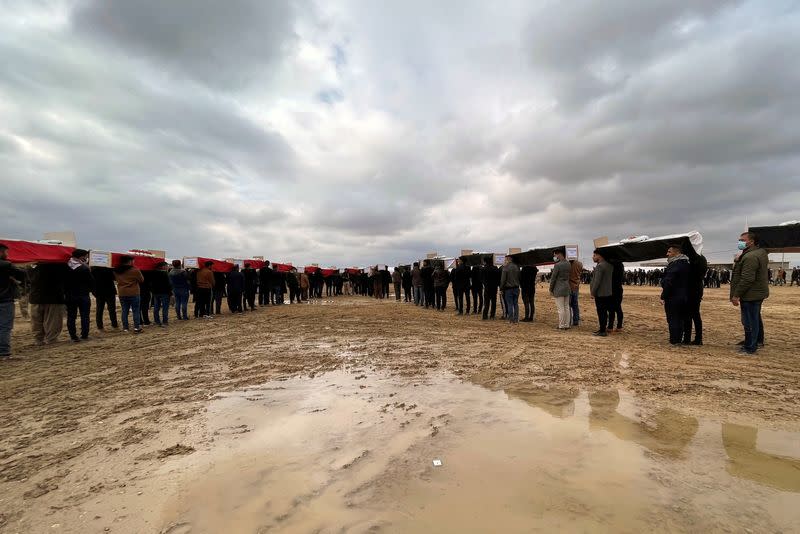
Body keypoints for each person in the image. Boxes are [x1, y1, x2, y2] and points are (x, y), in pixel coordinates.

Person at [730, 232, 769, 355]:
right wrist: (739, 259)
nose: (739, 242)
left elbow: (747, 279)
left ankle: (750, 347)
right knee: (755, 318)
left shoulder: (750, 257)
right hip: (757, 292)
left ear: (751, 242)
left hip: (750, 294)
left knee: (749, 321)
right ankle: (757, 341)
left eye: (742, 240)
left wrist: (736, 295)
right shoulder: (760, 252)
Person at [29, 261, 69, 345]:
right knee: (53, 320)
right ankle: (51, 339)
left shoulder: (32, 267)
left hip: (35, 297)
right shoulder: (59, 266)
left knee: (36, 320)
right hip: (54, 297)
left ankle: (38, 339)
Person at [660, 244, 691, 345]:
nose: (667, 254)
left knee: (673, 318)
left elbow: (669, 281)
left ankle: (674, 340)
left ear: (676, 253)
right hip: (684, 296)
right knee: (680, 318)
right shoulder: (686, 263)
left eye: (669, 252)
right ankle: (678, 338)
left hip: (673, 296)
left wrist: (663, 296)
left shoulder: (675, 264)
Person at [0, 244, 26, 358]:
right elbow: (22, 274)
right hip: (4, 299)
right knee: (5, 326)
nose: (7, 254)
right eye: (6, 252)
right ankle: (4, 351)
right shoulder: (6, 265)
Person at [64, 249, 94, 342]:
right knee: (85, 316)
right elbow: (91, 282)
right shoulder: (84, 268)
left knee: (71, 316)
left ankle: (73, 336)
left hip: (70, 295)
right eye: (85, 256)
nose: (86, 258)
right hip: (83, 295)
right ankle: (84, 335)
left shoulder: (65, 266)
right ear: (81, 257)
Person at [114, 255, 144, 333]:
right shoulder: (135, 270)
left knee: (124, 310)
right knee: (135, 311)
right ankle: (136, 328)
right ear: (130, 261)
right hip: (134, 292)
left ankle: (125, 328)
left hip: (122, 292)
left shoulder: (116, 270)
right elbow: (141, 280)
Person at [684, 254, 708, 345]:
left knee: (691, 315)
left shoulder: (697, 259)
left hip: (693, 290)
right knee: (694, 315)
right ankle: (696, 338)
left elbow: (693, 274)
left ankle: (691, 338)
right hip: (696, 290)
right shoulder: (701, 258)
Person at [590, 249, 613, 337]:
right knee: (604, 312)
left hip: (600, 293)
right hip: (607, 292)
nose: (593, 257)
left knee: (601, 312)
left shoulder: (600, 266)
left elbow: (597, 281)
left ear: (599, 256)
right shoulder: (609, 265)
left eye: (594, 255)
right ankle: (602, 329)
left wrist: (593, 292)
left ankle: (602, 330)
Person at [549, 250, 572, 329]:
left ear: (560, 254)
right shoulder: (568, 263)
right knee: (566, 307)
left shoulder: (558, 265)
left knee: (560, 308)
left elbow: (553, 278)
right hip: (567, 287)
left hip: (559, 288)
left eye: (555, 255)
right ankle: (567, 324)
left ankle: (561, 325)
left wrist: (550, 289)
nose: (555, 256)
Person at [91, 265, 118, 330]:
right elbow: (114, 278)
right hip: (110, 291)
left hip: (99, 291)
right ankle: (114, 324)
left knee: (99, 309)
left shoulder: (93, 269)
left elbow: (92, 281)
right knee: (112, 309)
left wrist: (94, 292)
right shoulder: (109, 268)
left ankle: (99, 325)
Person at [151, 261, 172, 327]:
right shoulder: (165, 273)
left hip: (155, 292)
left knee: (156, 307)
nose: (167, 267)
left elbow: (151, 283)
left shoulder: (152, 273)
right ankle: (165, 322)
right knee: (165, 308)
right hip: (164, 293)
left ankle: (157, 321)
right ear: (163, 266)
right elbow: (168, 284)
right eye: (166, 266)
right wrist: (170, 293)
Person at [500, 256, 521, 323]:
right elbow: (519, 278)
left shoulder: (505, 268)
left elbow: (503, 280)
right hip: (516, 288)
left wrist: (501, 288)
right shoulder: (517, 267)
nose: (504, 261)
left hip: (508, 289)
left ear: (508, 260)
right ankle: (516, 319)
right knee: (515, 304)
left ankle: (511, 319)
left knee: (510, 304)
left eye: (505, 260)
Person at [607, 260, 624, 332]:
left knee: (611, 309)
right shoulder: (621, 265)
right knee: (618, 308)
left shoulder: (612, 264)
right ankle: (619, 326)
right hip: (619, 288)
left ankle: (610, 326)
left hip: (612, 288)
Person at [569, 258, 583, 326]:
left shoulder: (568, 264)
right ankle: (576, 320)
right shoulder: (580, 264)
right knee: (575, 304)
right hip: (576, 286)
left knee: (567, 305)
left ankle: (568, 320)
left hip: (569, 286)